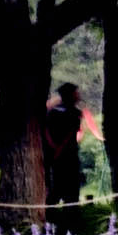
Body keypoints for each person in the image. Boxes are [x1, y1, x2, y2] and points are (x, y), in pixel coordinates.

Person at [45, 83, 85, 211]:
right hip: (68, 156)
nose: (78, 95)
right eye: (76, 93)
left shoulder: (51, 113)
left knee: (56, 188)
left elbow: (46, 132)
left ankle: (52, 214)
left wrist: (53, 148)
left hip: (55, 155)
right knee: (69, 190)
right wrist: (58, 149)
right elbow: (73, 133)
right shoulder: (75, 113)